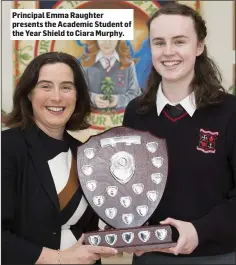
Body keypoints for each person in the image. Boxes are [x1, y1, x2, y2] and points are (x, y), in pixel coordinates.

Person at [122, 3, 236, 264]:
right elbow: (128, 186)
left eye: (180, 41)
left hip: (217, 256)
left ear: (199, 47)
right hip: (150, 256)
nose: (168, 52)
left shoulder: (230, 112)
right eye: (159, 42)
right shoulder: (135, 113)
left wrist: (198, 231)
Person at [2, 52, 118, 264]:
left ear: (77, 95)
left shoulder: (87, 153)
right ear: (29, 93)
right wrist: (60, 259)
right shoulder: (7, 147)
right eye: (45, 86)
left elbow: (89, 227)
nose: (57, 97)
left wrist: (119, 233)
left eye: (66, 87)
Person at [81, 40, 141, 109]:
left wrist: (119, 100)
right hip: (93, 117)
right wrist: (93, 99)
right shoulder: (85, 64)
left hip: (122, 117)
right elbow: (80, 93)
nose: (107, 42)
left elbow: (135, 94)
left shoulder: (129, 64)